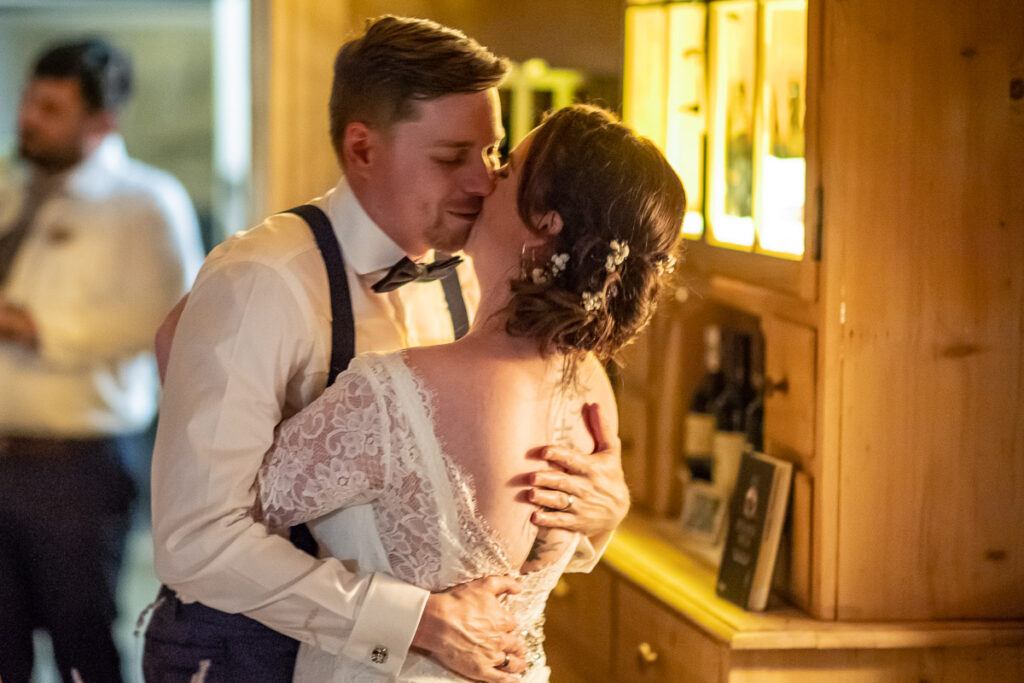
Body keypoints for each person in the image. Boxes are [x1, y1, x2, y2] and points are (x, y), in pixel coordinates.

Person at [145, 16, 630, 683]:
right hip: (240, 650)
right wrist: (419, 621)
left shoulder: (479, 277)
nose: (483, 181)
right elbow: (195, 539)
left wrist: (599, 516)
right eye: (451, 156)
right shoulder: (263, 282)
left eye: (490, 154)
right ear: (362, 149)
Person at [257, 103, 684, 681]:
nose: (484, 180)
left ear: (547, 221)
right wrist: (616, 512)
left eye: (506, 170)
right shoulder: (590, 388)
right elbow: (568, 547)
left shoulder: (394, 393)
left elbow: (232, 513)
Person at [0, 37, 204, 683]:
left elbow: (170, 320)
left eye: (51, 109)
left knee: (81, 643)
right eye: (30, 101)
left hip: (77, 467)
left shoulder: (147, 202)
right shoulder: (9, 189)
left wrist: (35, 326)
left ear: (102, 122)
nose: (28, 118)